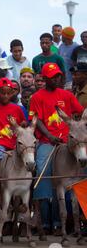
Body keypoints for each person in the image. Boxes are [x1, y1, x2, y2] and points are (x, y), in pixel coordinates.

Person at [29, 62, 84, 236]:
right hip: (48, 142)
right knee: (42, 170)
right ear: (45, 79)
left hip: (70, 142)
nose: (57, 78)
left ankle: (76, 219)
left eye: (58, 76)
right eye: (53, 77)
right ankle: (44, 218)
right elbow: (37, 121)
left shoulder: (66, 95)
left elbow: (80, 112)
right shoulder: (37, 97)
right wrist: (50, 137)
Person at [0, 77, 26, 209]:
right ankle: (0, 197)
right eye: (3, 92)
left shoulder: (17, 109)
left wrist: (23, 125)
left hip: (15, 145)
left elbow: (22, 127)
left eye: (9, 92)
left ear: (13, 93)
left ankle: (23, 201)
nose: (6, 95)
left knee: (29, 164)